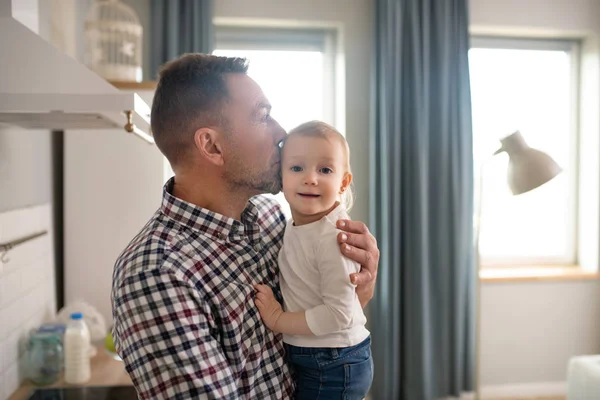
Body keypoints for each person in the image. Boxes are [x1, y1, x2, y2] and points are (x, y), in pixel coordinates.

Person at [111, 53, 379, 400]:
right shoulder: (156, 274)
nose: (282, 132)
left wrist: (358, 287)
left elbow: (324, 316)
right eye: (263, 116)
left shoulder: (271, 218)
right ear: (212, 145)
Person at [255, 121, 373, 400]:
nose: (310, 178)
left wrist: (277, 318)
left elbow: (339, 313)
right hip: (321, 355)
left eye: (325, 170)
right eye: (297, 168)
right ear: (280, 176)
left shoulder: (333, 237)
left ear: (343, 182)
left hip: (332, 362)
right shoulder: (298, 224)